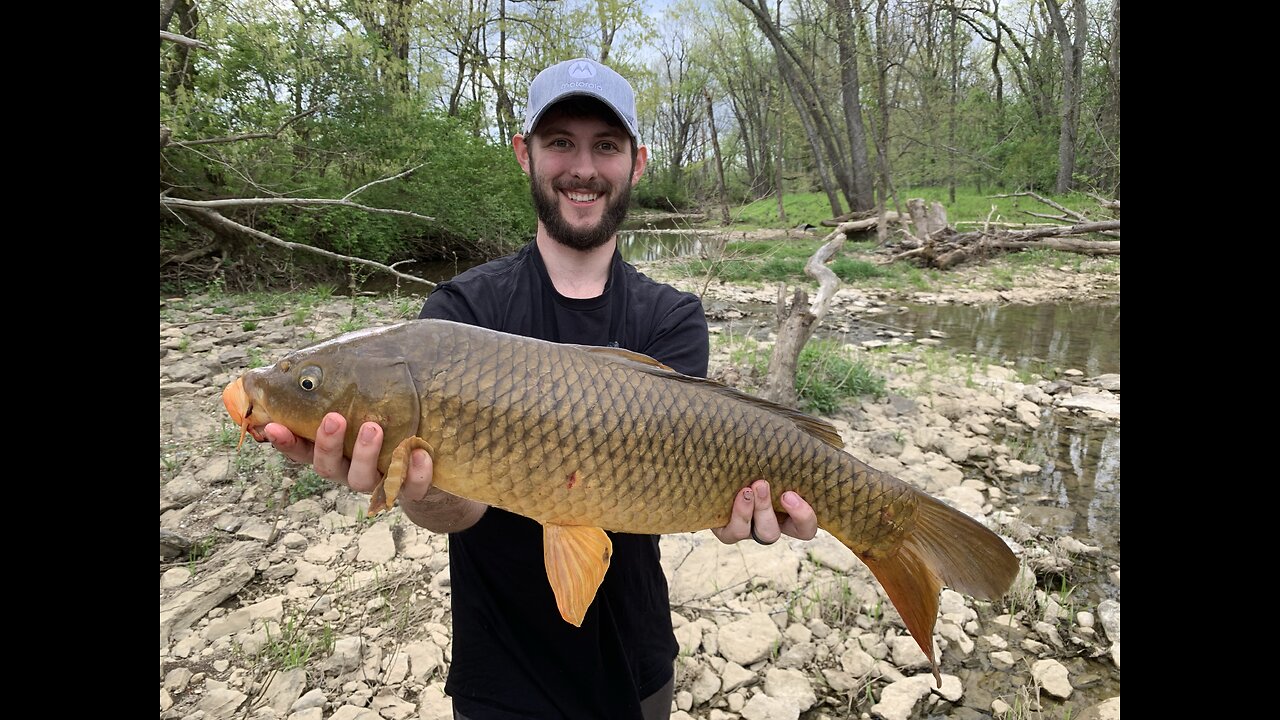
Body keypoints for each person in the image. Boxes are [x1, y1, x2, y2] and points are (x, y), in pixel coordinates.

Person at [265, 57, 819, 720]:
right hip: (498, 674)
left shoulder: (671, 317)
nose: (583, 167)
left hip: (634, 666)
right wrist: (417, 483)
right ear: (523, 154)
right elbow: (457, 511)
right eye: (560, 142)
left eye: (605, 146)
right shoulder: (457, 312)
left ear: (635, 164)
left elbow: (672, 491)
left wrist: (736, 508)